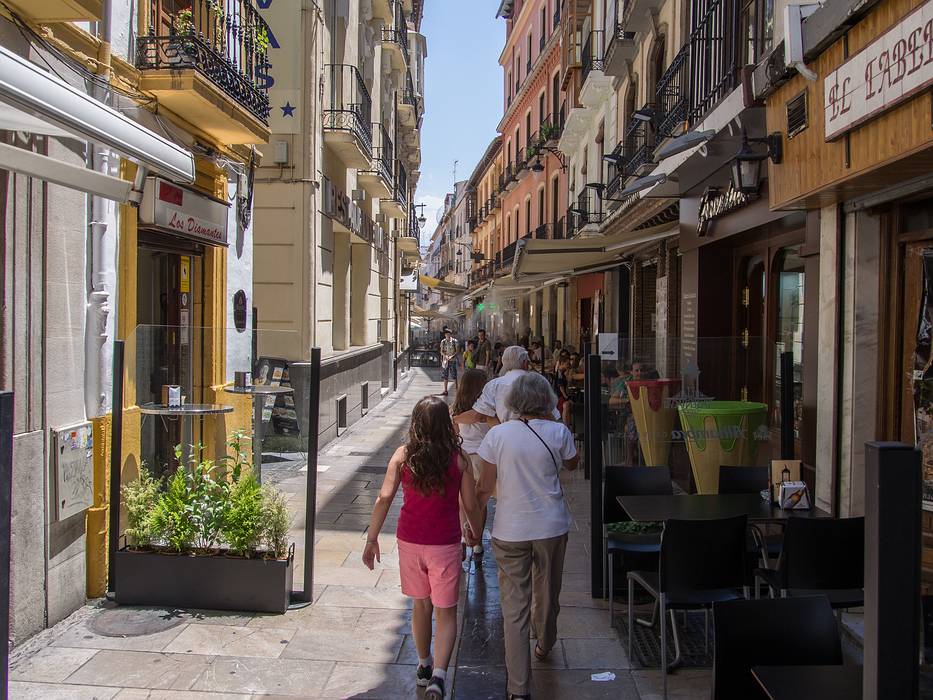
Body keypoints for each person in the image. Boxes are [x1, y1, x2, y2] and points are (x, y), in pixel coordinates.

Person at [364, 396, 483, 700]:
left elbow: (383, 497)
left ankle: (423, 664)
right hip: (444, 543)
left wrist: (372, 538)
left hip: (410, 541)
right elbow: (470, 504)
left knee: (421, 605)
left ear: (415, 423)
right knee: (446, 611)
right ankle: (440, 676)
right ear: (447, 424)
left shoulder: (403, 456)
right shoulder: (459, 459)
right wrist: (476, 533)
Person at [476, 373, 579, 700]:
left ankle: (518, 689)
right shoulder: (559, 432)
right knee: (548, 592)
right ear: (546, 400)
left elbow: (484, 488)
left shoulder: (497, 436)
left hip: (509, 530)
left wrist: (472, 523)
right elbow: (574, 465)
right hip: (551, 527)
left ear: (513, 402)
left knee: (514, 609)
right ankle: (545, 642)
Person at [454, 346, 561, 428]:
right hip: (538, 439)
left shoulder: (494, 385)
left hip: (506, 437)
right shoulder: (540, 382)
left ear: (504, 363)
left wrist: (454, 419)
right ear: (525, 363)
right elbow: (553, 415)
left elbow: (478, 415)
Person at [451, 368, 491, 558]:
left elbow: (455, 436)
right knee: (480, 503)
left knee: (463, 503)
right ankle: (477, 541)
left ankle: (463, 538)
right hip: (484, 459)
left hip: (464, 458)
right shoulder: (489, 407)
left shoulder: (456, 409)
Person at [439, 327, 459, 396]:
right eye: (446, 334)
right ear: (445, 335)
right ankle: (445, 391)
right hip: (446, 361)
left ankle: (457, 390)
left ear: (450, 334)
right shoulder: (443, 342)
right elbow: (441, 351)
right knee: (445, 376)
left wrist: (452, 356)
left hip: (452, 360)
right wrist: (445, 355)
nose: (447, 335)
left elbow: (457, 351)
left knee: (454, 375)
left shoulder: (454, 341)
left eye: (448, 334)